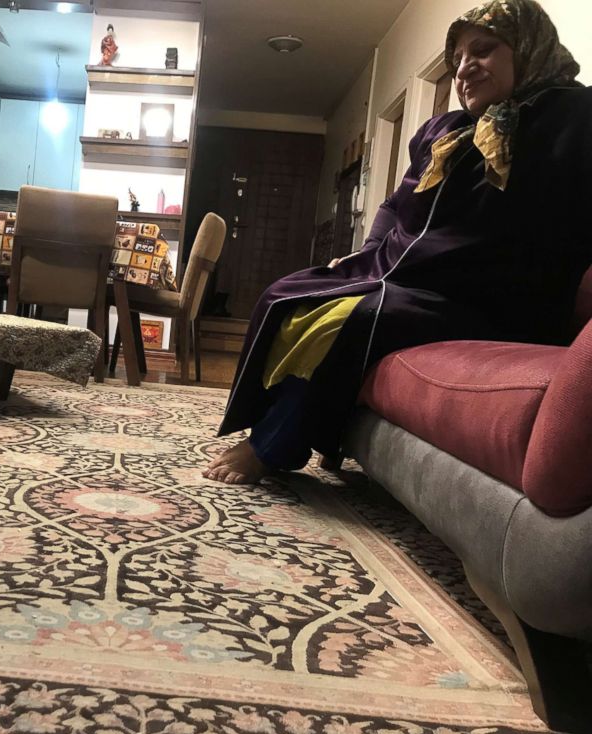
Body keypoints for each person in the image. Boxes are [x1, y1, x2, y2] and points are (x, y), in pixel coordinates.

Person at [204, 0, 592, 484]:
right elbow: (392, 206)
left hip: (486, 293)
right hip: (399, 272)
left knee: (350, 320)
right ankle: (284, 420)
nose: (465, 68)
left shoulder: (573, 118)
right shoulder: (445, 131)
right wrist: (368, 251)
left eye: (484, 51)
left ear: (529, 49)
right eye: (457, 60)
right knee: (290, 294)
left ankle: (274, 445)